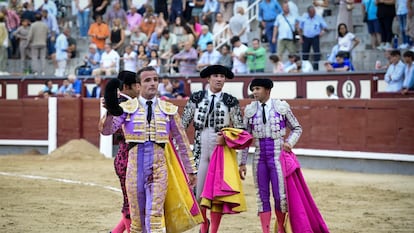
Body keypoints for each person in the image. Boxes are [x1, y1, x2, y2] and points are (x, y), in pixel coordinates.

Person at [101, 66, 201, 233]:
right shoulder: (126, 108)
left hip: (158, 170)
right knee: (137, 221)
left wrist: (190, 170)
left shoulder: (168, 109)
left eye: (155, 79)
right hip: (134, 170)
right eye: (148, 80)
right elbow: (106, 130)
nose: (153, 83)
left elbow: (182, 142)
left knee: (154, 217)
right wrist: (111, 111)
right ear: (138, 85)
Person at [239, 78, 329, 233]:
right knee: (262, 196)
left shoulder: (281, 107)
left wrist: (289, 143)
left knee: (280, 196)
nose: (254, 92)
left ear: (267, 90)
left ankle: (281, 229)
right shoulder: (249, 110)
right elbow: (245, 137)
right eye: (253, 89)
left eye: (257, 89)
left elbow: (297, 128)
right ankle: (265, 231)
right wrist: (241, 162)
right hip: (259, 157)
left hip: (277, 157)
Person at [181, 64, 245, 233]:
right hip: (200, 151)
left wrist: (227, 138)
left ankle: (213, 229)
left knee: (217, 194)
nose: (219, 79)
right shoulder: (196, 98)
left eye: (222, 76)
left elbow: (240, 130)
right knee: (199, 192)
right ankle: (204, 225)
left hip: (221, 153)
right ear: (208, 78)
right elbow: (182, 125)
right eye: (216, 76)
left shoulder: (231, 101)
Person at [100, 71, 139, 233]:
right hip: (127, 156)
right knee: (131, 202)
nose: (140, 87)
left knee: (135, 201)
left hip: (130, 155)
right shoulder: (122, 104)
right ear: (127, 86)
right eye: (137, 84)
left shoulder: (129, 102)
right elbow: (105, 129)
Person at [299, 5, 328, 71]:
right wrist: (300, 37)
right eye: (312, 12)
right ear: (308, 12)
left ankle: (316, 67)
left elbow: (325, 27)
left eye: (314, 12)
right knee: (305, 53)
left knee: (316, 52)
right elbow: (300, 28)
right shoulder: (304, 17)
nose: (313, 13)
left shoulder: (318, 17)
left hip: (315, 37)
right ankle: (305, 68)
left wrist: (322, 32)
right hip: (306, 37)